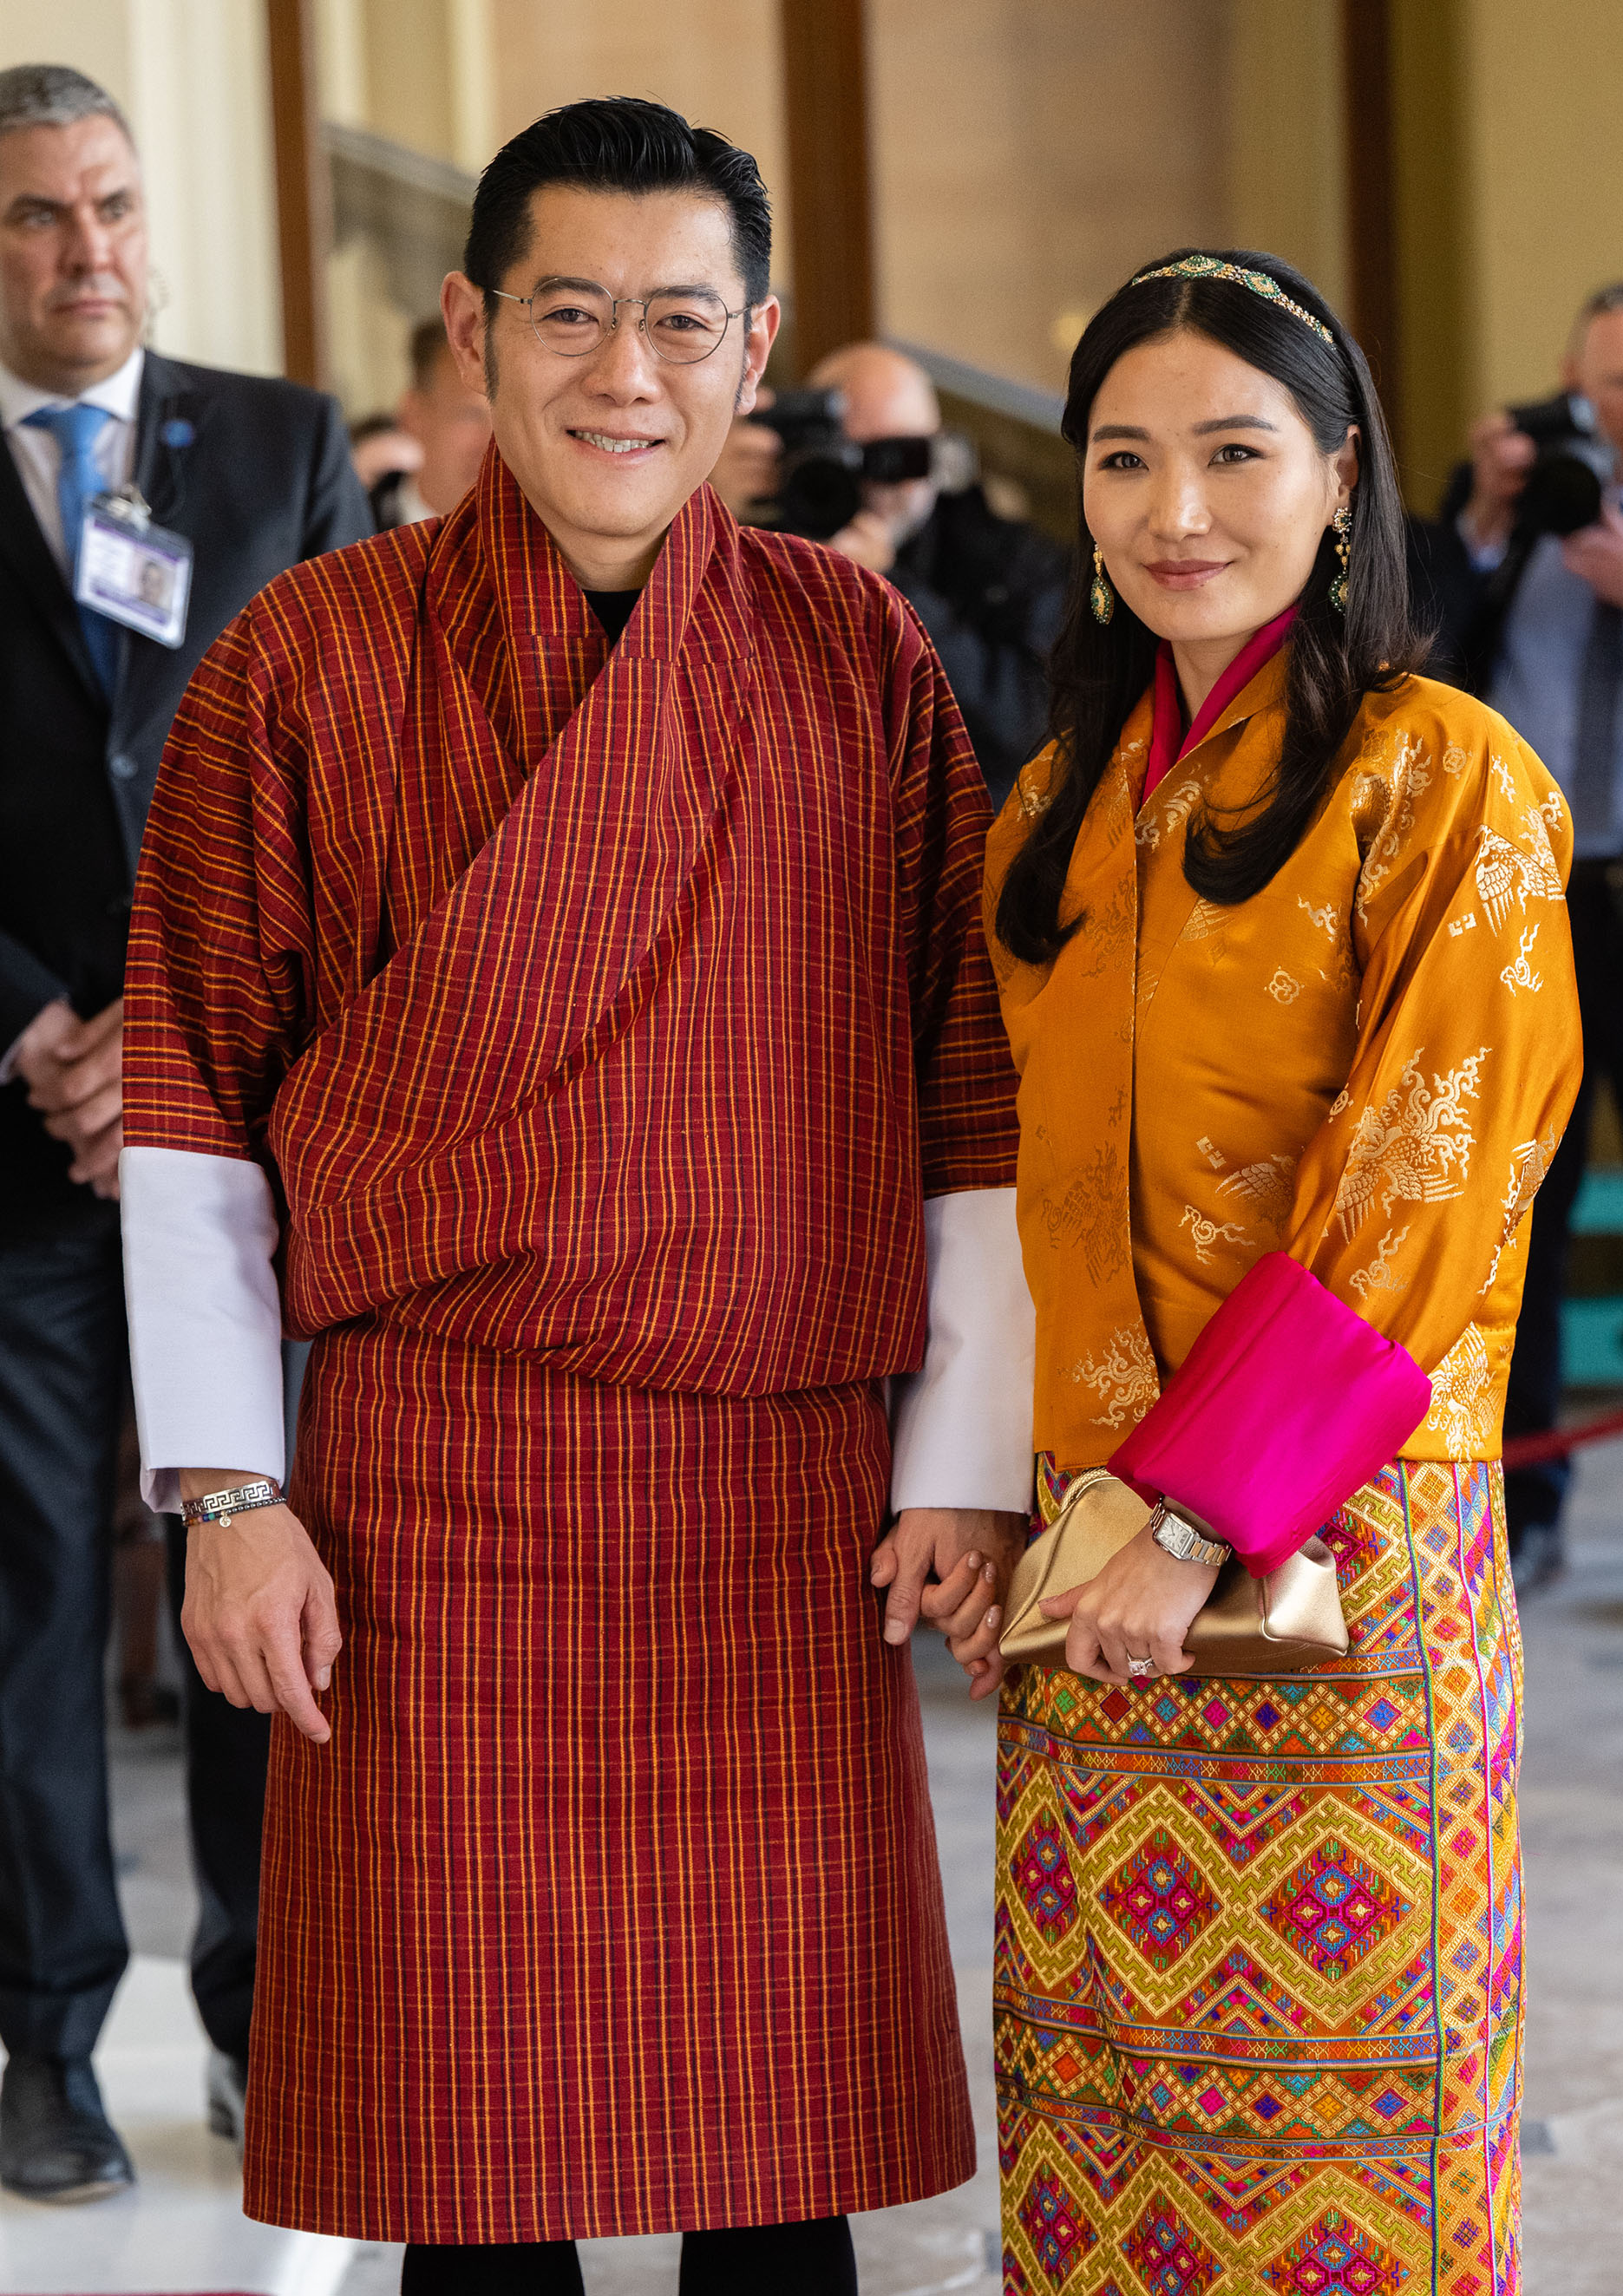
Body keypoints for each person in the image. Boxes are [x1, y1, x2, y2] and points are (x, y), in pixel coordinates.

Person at [120, 98, 1033, 2290]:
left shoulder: (854, 656)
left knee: (771, 2160)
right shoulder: (307, 660)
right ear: (472, 327)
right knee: (471, 2155)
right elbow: (186, 1101)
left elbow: (968, 1088)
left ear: (755, 350)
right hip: (435, 1487)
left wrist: (965, 1462)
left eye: (680, 322)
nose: (626, 373)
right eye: (572, 316)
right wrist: (231, 1494)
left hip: (778, 1488)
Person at [970, 250, 1580, 2296]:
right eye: (1123, 460)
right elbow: (1020, 1193)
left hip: (1341, 1547)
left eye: (1235, 454)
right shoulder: (1051, 812)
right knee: (1102, 2128)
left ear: (1339, 479)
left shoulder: (1444, 780)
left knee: (1345, 2135)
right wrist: (1016, 1501)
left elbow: (1428, 1181)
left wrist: (1187, 1506)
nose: (1175, 513)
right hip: (1089, 1581)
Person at [0, 62, 370, 2205]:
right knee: (33, 1597)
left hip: (233, 1126)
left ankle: (259, 2016)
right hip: (12, 1139)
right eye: (40, 217)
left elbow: (353, 766)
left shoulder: (288, 444)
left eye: (115, 203)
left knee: (252, 1578)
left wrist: (173, 1027)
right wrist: (42, 1030)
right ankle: (46, 2036)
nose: (88, 248)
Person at [1431, 282, 1623, 1611]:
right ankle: (1523, 1515)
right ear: (1570, 382)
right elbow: (1420, 666)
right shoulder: (1514, 518)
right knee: (1513, 1214)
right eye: (1614, 385)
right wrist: (1477, 523)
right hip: (1520, 914)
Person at [714, 343, 1067, 809]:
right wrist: (707, 510)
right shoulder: (743, 533)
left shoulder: (1013, 563)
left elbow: (1030, 733)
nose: (869, 484)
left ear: (940, 459)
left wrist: (891, 593)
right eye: (842, 456)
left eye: (898, 458)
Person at [367, 312, 493, 529]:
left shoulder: (548, 546)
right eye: (471, 414)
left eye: (507, 419)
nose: (494, 443)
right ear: (414, 414)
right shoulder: (350, 533)